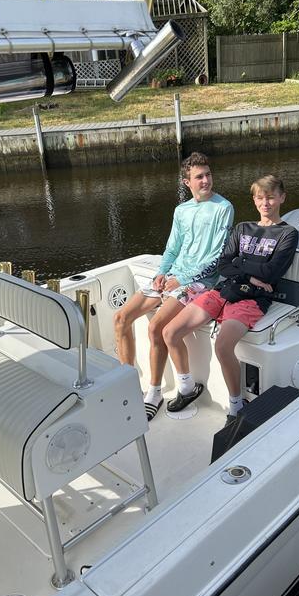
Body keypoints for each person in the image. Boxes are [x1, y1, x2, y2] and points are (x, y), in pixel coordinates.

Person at [163, 174, 298, 423]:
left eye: (270, 197)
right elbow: (224, 265)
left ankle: (236, 406)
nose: (265, 203)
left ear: (282, 198)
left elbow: (271, 272)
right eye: (260, 197)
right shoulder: (243, 228)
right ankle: (186, 388)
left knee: (223, 347)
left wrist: (241, 264)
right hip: (222, 292)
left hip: (253, 299)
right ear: (254, 200)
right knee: (170, 332)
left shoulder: (287, 234)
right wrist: (249, 271)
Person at [114, 152, 234, 421]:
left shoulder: (223, 208)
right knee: (121, 318)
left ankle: (154, 392)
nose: (206, 181)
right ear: (186, 182)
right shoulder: (181, 211)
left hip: (200, 281)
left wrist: (181, 279)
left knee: (156, 326)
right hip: (174, 275)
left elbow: (216, 258)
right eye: (199, 177)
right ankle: (126, 384)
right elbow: (172, 248)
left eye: (208, 175)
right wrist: (161, 273)